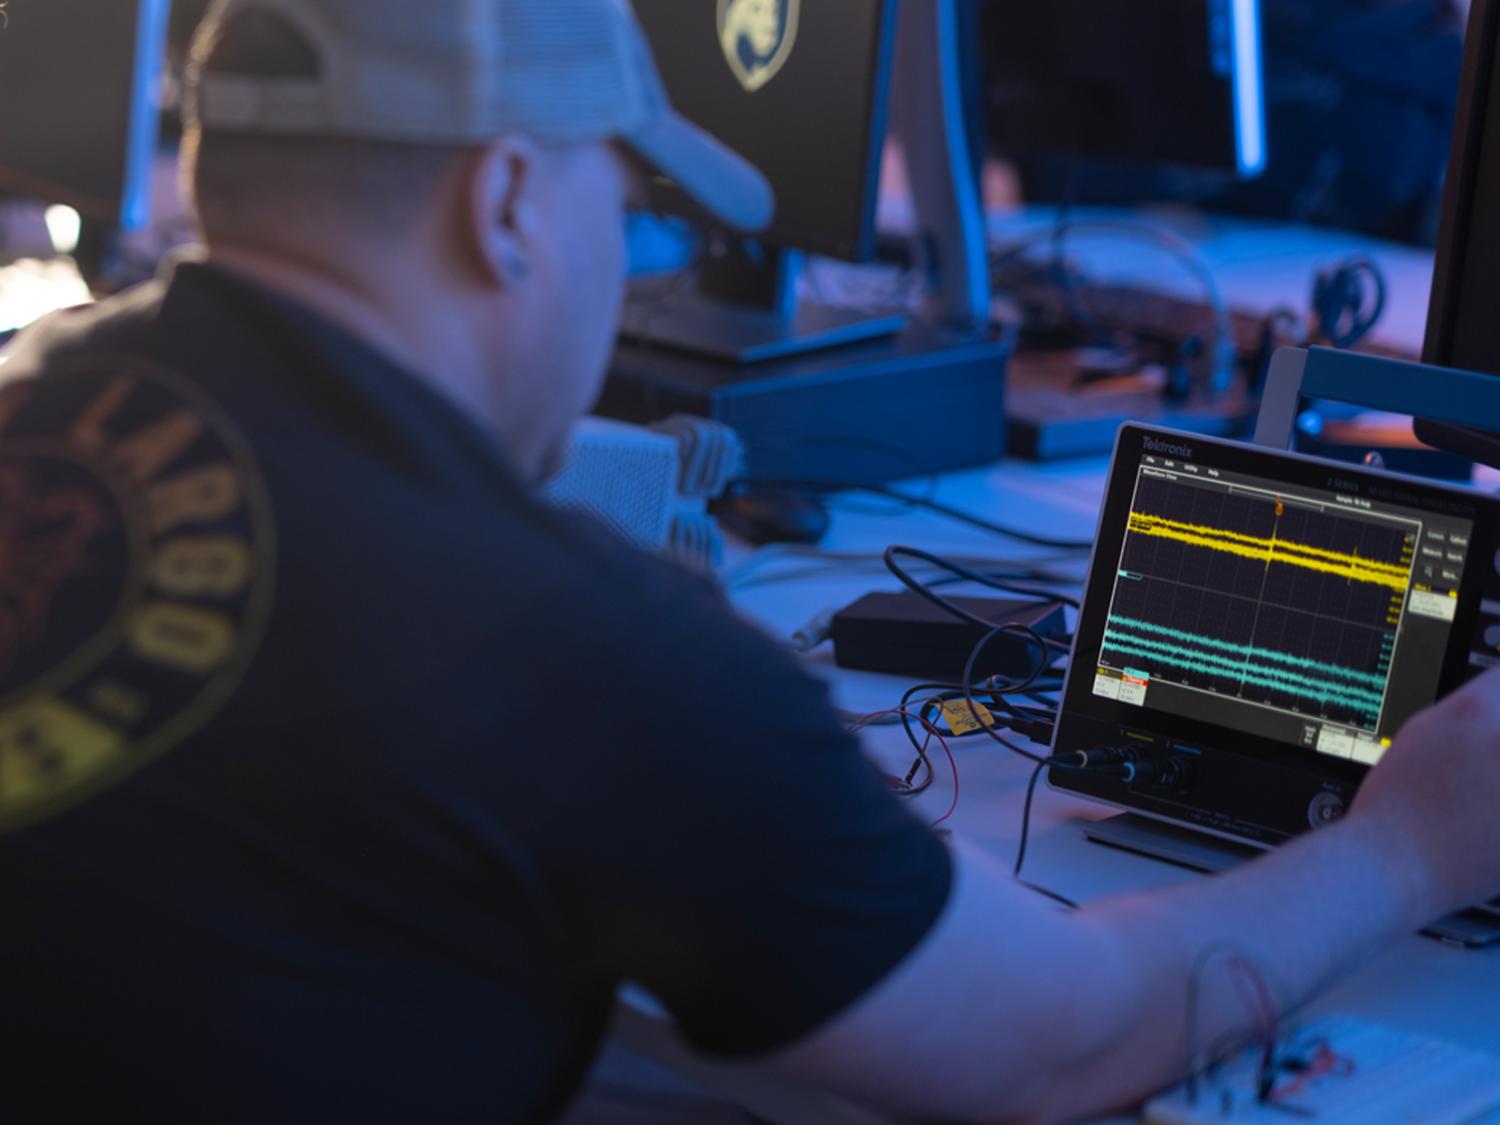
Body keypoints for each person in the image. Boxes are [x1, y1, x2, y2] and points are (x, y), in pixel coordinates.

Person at [1, 1, 1498, 1122]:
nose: (634, 259)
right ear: (509, 201)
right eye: (632, 204)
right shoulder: (584, 649)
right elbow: (1057, 1039)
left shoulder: (28, 404)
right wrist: (1411, 843)